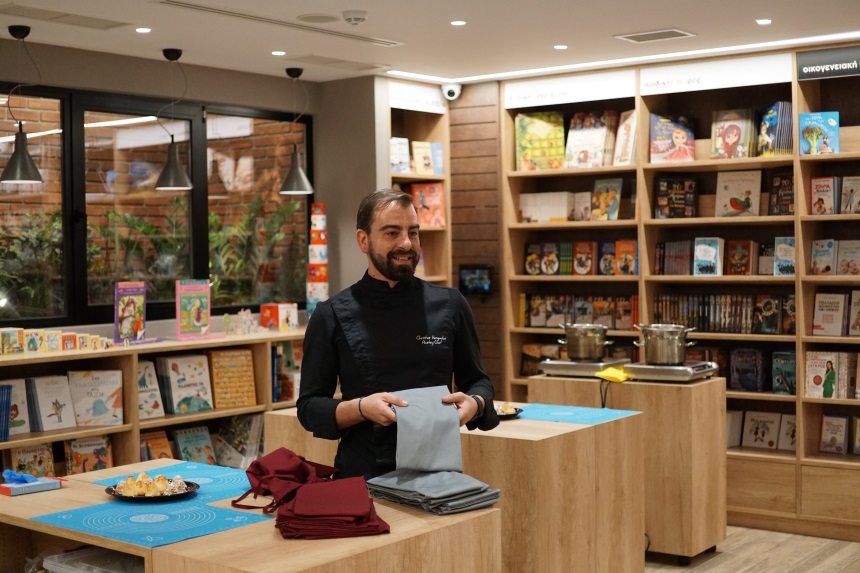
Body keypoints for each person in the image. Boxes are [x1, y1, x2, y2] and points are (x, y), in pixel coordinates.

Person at [297, 189, 499, 479]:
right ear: (363, 240)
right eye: (392, 233)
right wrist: (361, 408)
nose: (406, 244)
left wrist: (475, 403)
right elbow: (309, 408)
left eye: (413, 233)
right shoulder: (331, 314)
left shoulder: (451, 305)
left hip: (439, 476)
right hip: (363, 477)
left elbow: (478, 381)